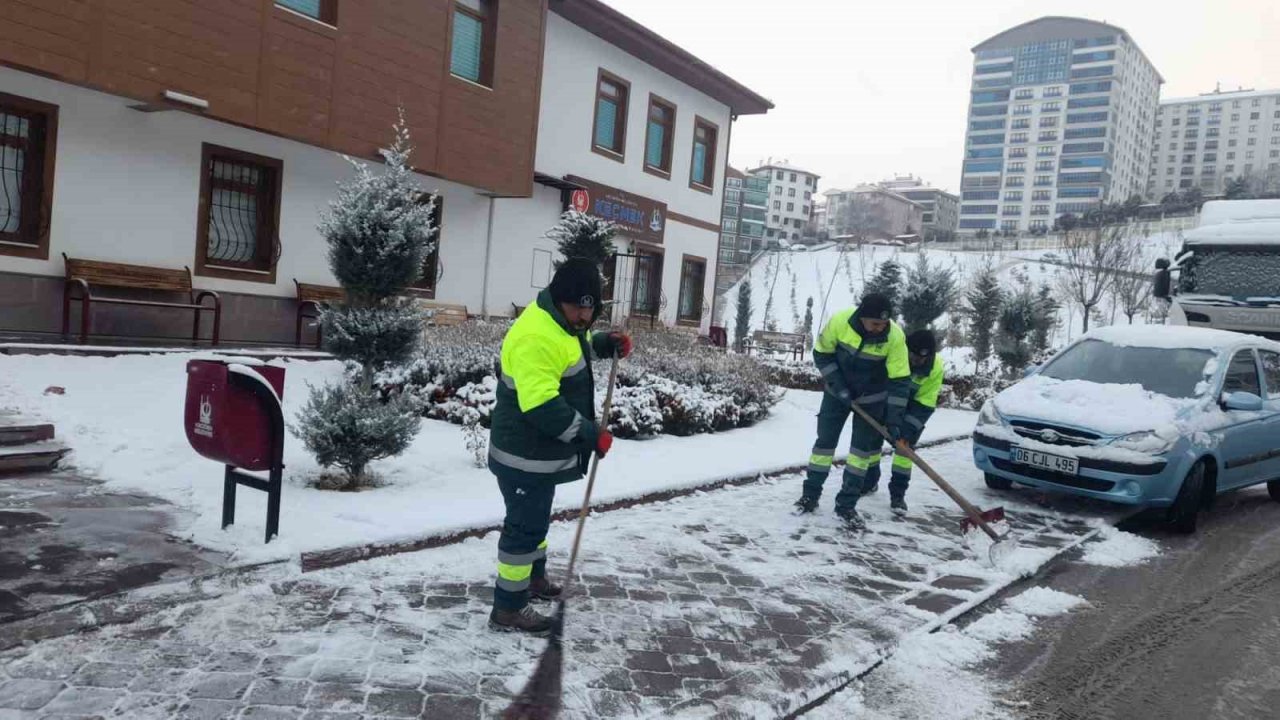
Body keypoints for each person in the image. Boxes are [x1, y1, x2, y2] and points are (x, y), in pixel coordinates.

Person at [487, 258, 632, 635]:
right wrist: (589, 434)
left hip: (539, 454)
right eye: (577, 307)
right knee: (523, 528)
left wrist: (604, 344)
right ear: (558, 298)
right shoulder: (536, 335)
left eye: (590, 309)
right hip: (523, 454)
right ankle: (508, 607)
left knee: (536, 521)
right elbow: (541, 406)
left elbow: (573, 349)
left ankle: (533, 580)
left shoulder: (563, 323)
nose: (584, 316)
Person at [794, 292, 910, 530]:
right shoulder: (840, 322)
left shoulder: (895, 336)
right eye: (875, 323)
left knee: (860, 454)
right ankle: (810, 496)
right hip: (837, 394)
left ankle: (846, 505)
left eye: (884, 323)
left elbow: (900, 380)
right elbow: (822, 354)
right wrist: (839, 387)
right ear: (862, 317)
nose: (880, 328)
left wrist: (894, 420)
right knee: (824, 445)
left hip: (872, 399)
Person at [860, 329, 944, 516]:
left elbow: (925, 403)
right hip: (885, 403)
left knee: (904, 452)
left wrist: (907, 429)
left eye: (922, 358)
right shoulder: (894, 353)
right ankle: (870, 481)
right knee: (872, 443)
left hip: (912, 409)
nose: (917, 361)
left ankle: (898, 495)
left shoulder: (935, 367)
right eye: (913, 356)